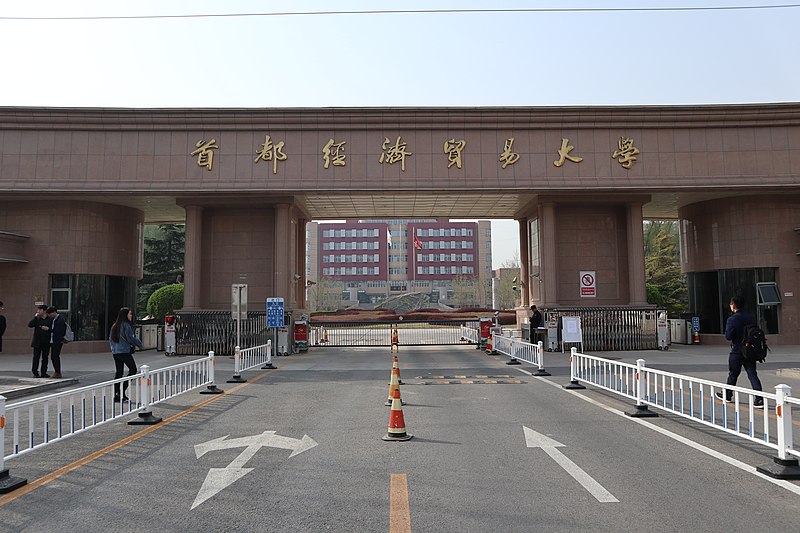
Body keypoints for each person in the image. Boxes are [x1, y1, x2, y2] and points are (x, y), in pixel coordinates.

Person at [715, 296, 763, 408]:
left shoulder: (732, 319)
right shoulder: (750, 317)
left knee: (733, 374)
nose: (730, 306)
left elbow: (728, 336)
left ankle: (727, 395)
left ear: (734, 305)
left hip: (737, 350)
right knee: (752, 374)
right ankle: (759, 399)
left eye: (731, 304)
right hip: (750, 350)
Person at [108, 307, 143, 402]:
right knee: (133, 370)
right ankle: (122, 391)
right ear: (125, 315)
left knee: (119, 372)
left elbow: (110, 339)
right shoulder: (126, 325)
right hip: (124, 351)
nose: (131, 316)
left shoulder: (114, 326)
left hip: (116, 352)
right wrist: (139, 344)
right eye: (130, 314)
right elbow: (130, 338)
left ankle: (116, 395)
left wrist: (114, 349)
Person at [28, 304, 52, 377]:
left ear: (44, 311)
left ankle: (43, 372)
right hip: (37, 341)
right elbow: (30, 325)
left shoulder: (50, 319)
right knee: (36, 357)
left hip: (46, 342)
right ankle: (35, 372)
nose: (38, 311)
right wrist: (35, 317)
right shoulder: (37, 319)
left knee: (45, 358)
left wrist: (47, 329)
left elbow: (52, 329)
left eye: (40, 310)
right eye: (38, 310)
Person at [47, 306, 67, 379]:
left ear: (54, 312)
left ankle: (57, 372)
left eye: (50, 314)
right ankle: (57, 371)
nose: (50, 316)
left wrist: (49, 329)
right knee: (53, 357)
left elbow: (59, 331)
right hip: (53, 340)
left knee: (55, 356)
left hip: (57, 340)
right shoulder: (54, 319)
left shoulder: (60, 320)